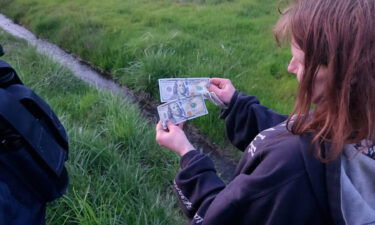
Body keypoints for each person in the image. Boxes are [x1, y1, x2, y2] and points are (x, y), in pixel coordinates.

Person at [155, 0, 375, 224]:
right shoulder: (354, 126)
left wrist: (187, 154)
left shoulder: (289, 170)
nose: (290, 67)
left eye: (300, 61)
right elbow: (289, 130)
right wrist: (236, 104)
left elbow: (218, 216)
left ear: (343, 73)